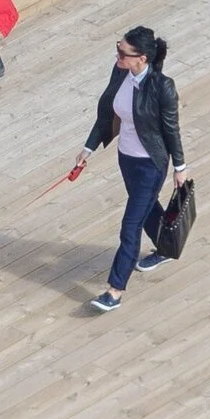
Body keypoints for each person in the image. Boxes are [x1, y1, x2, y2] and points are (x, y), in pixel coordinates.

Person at [72, 25, 189, 312]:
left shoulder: (162, 87)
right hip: (126, 159)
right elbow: (106, 113)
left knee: (130, 225)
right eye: (117, 49)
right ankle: (166, 247)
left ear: (142, 59)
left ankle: (114, 290)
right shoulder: (120, 72)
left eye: (123, 53)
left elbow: (171, 129)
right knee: (146, 207)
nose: (117, 57)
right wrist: (88, 148)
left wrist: (180, 167)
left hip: (151, 164)